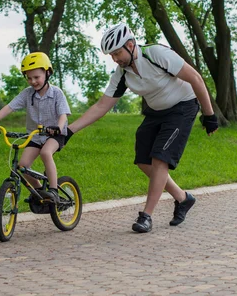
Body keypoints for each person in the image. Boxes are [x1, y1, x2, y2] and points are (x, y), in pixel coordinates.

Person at [67, 23, 218, 233]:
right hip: (156, 112)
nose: (115, 58)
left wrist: (209, 115)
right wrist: (68, 131)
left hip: (182, 107)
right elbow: (101, 106)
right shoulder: (122, 74)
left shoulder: (155, 54)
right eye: (111, 55)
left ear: (130, 45)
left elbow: (195, 78)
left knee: (160, 158)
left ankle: (146, 216)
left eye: (117, 52)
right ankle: (183, 199)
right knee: (143, 160)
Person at [0, 52, 71, 203]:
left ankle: (54, 191)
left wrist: (58, 127)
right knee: (22, 166)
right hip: (35, 136)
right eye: (29, 78)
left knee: (46, 153)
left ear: (47, 73)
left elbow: (63, 115)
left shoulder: (57, 93)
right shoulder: (27, 94)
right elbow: (10, 107)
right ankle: (39, 192)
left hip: (55, 135)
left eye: (36, 77)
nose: (33, 81)